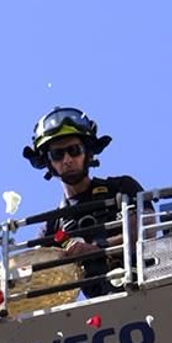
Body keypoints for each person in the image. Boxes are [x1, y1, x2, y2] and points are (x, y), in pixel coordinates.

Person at [23, 107, 143, 294]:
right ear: (48, 163)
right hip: (99, 307)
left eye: (74, 150)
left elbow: (146, 229)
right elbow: (34, 267)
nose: (67, 160)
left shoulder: (121, 188)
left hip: (142, 286)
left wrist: (97, 248)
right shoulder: (54, 223)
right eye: (58, 154)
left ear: (88, 153)